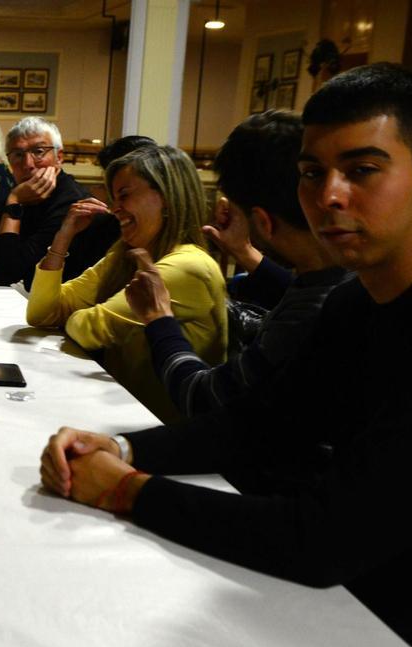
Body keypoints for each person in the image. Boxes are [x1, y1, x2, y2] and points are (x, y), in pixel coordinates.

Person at [38, 63, 412, 647]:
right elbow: (254, 424)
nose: (328, 195)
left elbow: (324, 540)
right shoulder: (355, 300)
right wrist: (120, 444)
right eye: (310, 173)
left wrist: (124, 489)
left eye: (362, 170)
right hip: (332, 609)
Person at [125, 111, 350, 417]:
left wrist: (158, 318)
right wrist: (245, 251)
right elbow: (299, 289)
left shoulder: (307, 320)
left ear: (263, 222)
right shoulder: (347, 276)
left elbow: (203, 398)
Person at [26, 144, 226, 422]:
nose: (114, 208)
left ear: (166, 197)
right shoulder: (125, 254)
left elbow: (86, 328)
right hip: (121, 412)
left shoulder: (187, 266)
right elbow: (41, 313)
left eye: (124, 195)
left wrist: (77, 314)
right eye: (113, 198)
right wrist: (63, 238)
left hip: (165, 434)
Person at [0, 117, 120, 287]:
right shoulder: (25, 192)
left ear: (59, 157)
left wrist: (14, 202)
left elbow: (6, 274)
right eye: (18, 155)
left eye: (38, 151)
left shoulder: (71, 202)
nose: (28, 164)